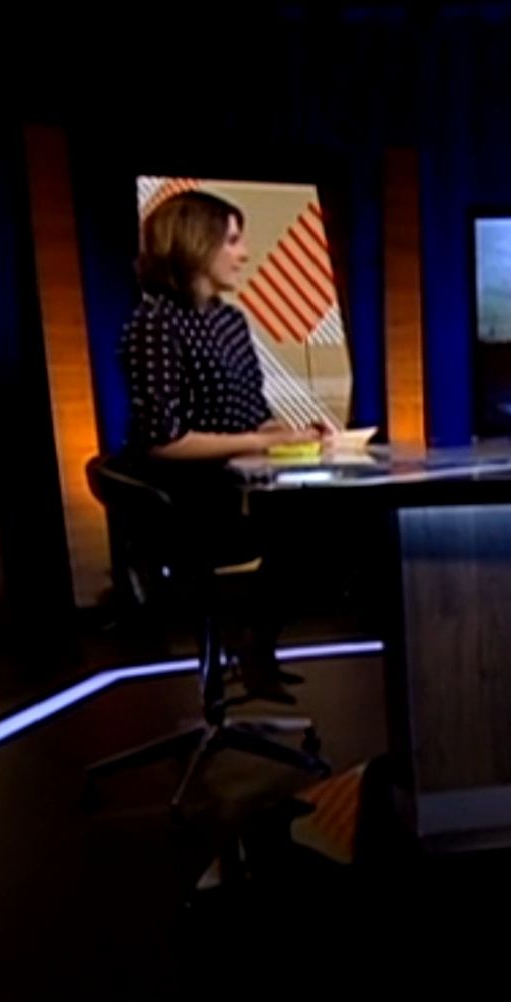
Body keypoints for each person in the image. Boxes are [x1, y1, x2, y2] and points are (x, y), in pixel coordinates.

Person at [118, 190, 334, 702]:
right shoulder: (154, 324)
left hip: (240, 487)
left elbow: (251, 415)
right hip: (185, 502)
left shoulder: (231, 322)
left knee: (338, 521)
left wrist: (293, 435)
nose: (244, 254)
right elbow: (163, 441)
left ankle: (254, 640)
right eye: (233, 241)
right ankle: (251, 643)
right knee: (308, 526)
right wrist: (259, 440)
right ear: (197, 244)